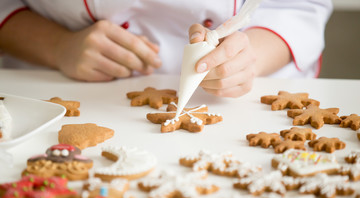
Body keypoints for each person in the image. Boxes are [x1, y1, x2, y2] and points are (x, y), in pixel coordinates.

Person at [0, 0, 332, 98]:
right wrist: (56, 45)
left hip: (243, 97)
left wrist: (249, 59)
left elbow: (299, 5)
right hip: (45, 87)